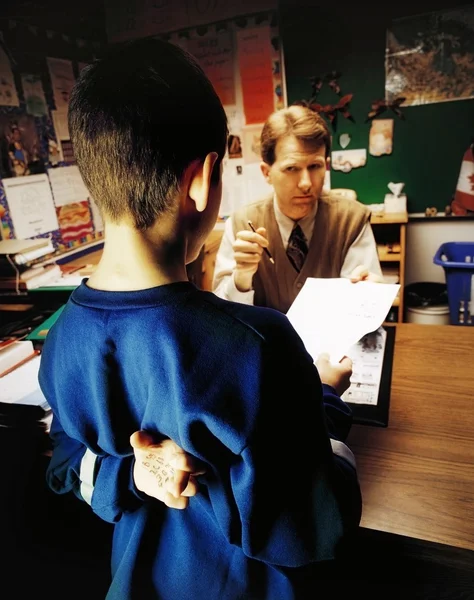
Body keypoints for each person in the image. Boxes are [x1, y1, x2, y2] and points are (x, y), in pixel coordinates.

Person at [38, 37, 361, 600]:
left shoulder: (62, 338)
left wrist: (133, 477)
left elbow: (66, 463)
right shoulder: (258, 345)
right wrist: (325, 404)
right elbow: (315, 525)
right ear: (204, 180)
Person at [213, 104, 383, 314]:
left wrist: (369, 298)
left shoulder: (352, 221)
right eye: (291, 168)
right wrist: (240, 279)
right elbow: (222, 315)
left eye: (315, 166)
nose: (306, 183)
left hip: (330, 345)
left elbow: (363, 312)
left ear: (326, 166)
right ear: (267, 173)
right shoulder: (241, 225)